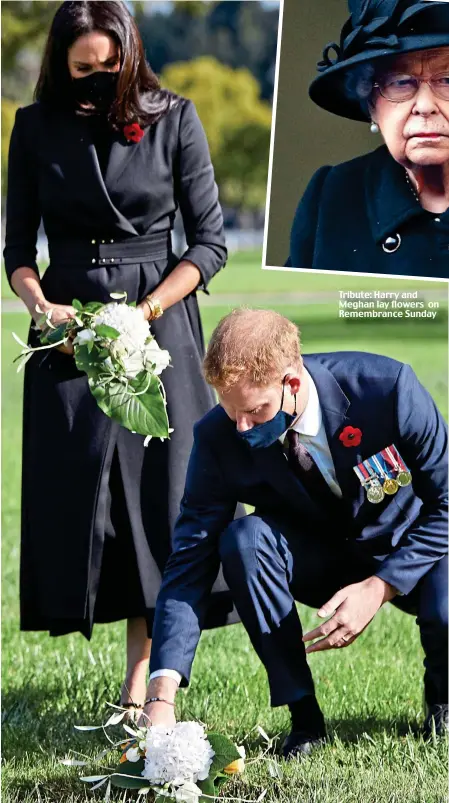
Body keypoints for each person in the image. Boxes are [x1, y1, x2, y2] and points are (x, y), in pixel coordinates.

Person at [3, 0, 239, 716]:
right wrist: (41, 306)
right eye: (84, 70)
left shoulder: (175, 118)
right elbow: (18, 251)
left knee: (154, 509)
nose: (99, 80)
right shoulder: (34, 127)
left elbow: (209, 244)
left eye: (111, 67)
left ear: (130, 56)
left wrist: (145, 312)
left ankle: (142, 685)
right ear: (59, 63)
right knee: (84, 502)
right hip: (70, 330)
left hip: (156, 323)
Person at [142, 308, 448, 758]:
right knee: (242, 543)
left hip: (412, 544)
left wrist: (379, 587)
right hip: (318, 557)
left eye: (254, 410)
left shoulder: (386, 390)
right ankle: (304, 719)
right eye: (230, 412)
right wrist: (161, 695)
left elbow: (446, 502)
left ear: (292, 382)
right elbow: (190, 556)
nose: (240, 428)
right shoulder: (219, 436)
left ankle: (442, 698)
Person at [287, 0, 449, 278]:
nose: (424, 105)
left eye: (447, 80)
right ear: (372, 105)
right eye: (400, 82)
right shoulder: (332, 195)